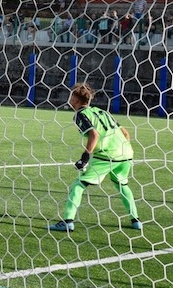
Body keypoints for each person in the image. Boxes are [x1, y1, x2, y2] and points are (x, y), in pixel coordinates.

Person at [49, 83, 142, 232]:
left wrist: (85, 157)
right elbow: (125, 133)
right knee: (122, 185)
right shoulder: (102, 111)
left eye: (71, 96)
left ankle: (67, 221)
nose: (70, 99)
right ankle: (136, 221)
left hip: (107, 156)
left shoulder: (80, 114)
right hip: (126, 153)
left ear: (75, 99)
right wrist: (120, 151)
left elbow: (94, 135)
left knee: (78, 185)